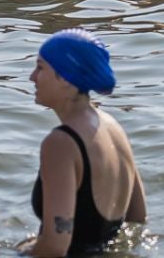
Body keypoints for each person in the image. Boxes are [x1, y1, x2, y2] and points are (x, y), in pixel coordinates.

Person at [28, 29, 145, 257]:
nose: (32, 77)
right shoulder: (113, 126)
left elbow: (55, 246)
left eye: (40, 67)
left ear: (65, 78)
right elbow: (137, 217)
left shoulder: (61, 143)